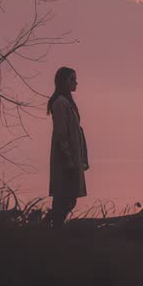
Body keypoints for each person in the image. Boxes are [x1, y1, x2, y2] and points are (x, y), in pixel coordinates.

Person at [47, 66, 88, 227]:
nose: (75, 82)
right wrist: (69, 159)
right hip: (65, 160)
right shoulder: (60, 103)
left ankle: (53, 227)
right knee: (64, 197)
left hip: (72, 158)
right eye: (72, 79)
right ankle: (53, 228)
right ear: (64, 81)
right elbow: (61, 134)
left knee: (68, 197)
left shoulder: (67, 103)